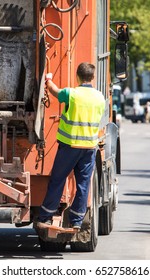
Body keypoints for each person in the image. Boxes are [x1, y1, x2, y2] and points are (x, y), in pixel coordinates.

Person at [38, 62, 105, 229]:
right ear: (93, 78)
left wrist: (48, 79)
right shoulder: (100, 97)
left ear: (77, 76)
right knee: (83, 184)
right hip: (89, 147)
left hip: (70, 146)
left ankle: (46, 216)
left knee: (58, 180)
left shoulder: (72, 94)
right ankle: (76, 221)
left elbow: (55, 91)